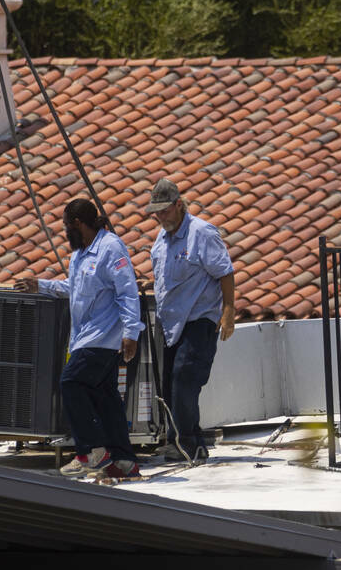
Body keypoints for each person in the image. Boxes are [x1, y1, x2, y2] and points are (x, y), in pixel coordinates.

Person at [14, 198, 144, 479]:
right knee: (107, 399)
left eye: (65, 226)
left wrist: (131, 333)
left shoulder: (110, 247)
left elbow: (127, 291)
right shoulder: (79, 255)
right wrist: (41, 286)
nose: (65, 232)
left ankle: (91, 451)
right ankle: (124, 462)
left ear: (77, 224)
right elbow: (73, 288)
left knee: (71, 382)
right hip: (84, 337)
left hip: (102, 338)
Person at [146, 178, 235, 463]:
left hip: (199, 319)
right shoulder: (161, 239)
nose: (160, 217)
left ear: (179, 205)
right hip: (170, 324)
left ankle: (189, 444)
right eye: (156, 212)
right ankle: (185, 439)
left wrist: (229, 313)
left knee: (186, 379)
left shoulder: (202, 233)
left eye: (165, 211)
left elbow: (225, 272)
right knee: (170, 384)